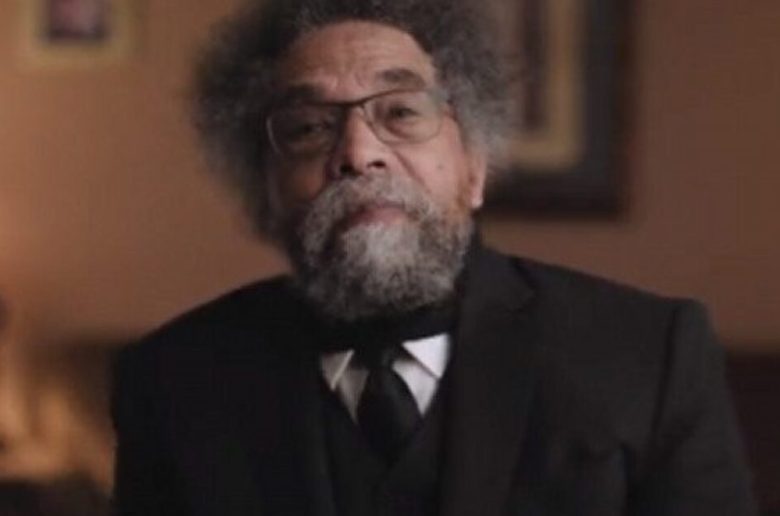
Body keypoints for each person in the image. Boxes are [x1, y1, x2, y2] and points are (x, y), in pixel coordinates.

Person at [111, 0, 757, 514]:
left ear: (474, 166)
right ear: (267, 191)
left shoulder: (651, 355)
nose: (358, 152)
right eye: (309, 127)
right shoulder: (171, 381)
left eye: (400, 112)